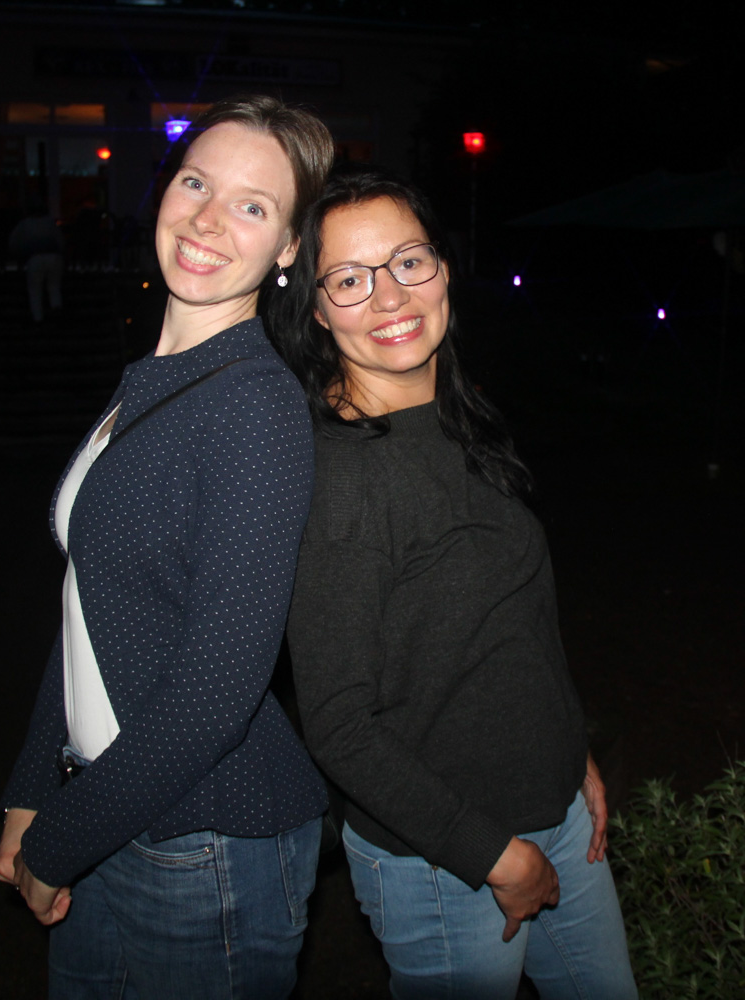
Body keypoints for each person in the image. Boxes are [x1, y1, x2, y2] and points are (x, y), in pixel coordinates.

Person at [0, 95, 334, 1000]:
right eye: (195, 184)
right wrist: (34, 786)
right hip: (107, 810)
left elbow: (217, 688)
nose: (208, 219)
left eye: (253, 206)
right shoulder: (157, 380)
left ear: (288, 248)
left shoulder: (253, 406)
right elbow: (90, 607)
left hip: (205, 844)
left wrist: (59, 839)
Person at [270, 164, 637, 1000]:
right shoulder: (341, 484)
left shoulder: (459, 414)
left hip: (557, 814)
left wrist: (568, 749)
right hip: (447, 863)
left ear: (442, 266)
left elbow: (510, 623)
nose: (390, 297)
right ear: (318, 310)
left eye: (409, 261)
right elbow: (339, 726)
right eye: (350, 279)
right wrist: (494, 856)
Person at [8, 198, 65, 325]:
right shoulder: (50, 222)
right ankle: (56, 309)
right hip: (53, 257)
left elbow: (13, 242)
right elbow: (60, 241)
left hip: (35, 258)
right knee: (54, 287)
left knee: (35, 291)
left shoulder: (25, 224)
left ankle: (38, 319)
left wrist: (19, 255)